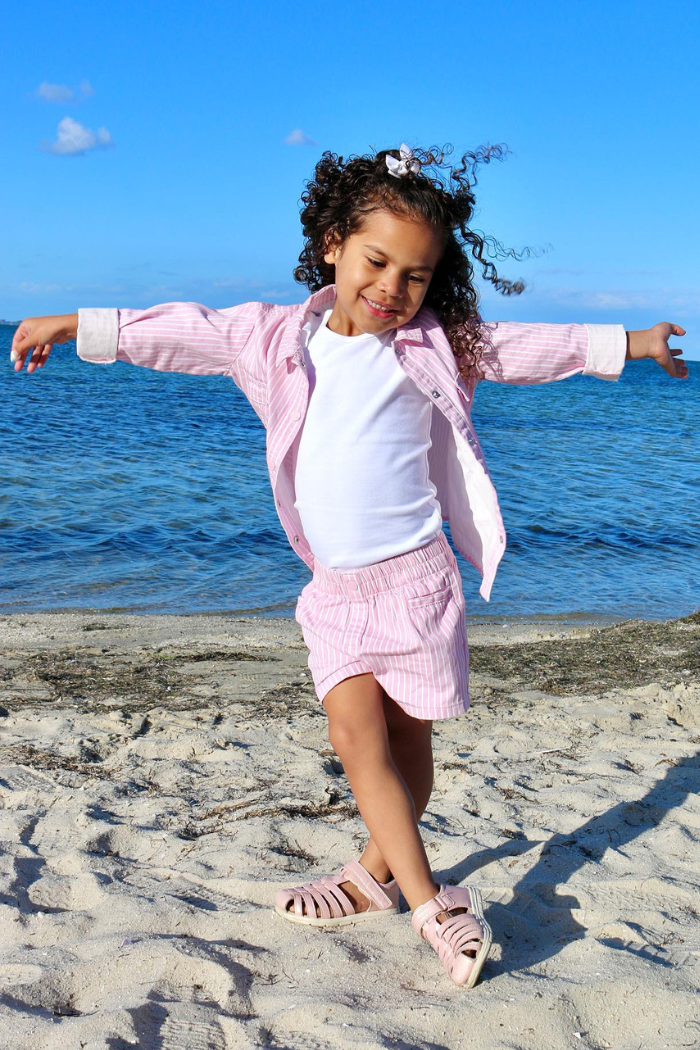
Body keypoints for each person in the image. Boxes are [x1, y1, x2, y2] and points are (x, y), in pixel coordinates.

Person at [9, 143, 688, 989]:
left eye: (416, 275)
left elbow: (528, 347)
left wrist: (631, 342)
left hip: (417, 584)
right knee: (354, 736)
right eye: (376, 261)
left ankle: (372, 875)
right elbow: (181, 331)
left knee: (408, 752)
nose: (392, 287)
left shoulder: (437, 344)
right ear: (332, 244)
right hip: (335, 592)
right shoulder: (273, 338)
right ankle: (433, 904)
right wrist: (74, 324)